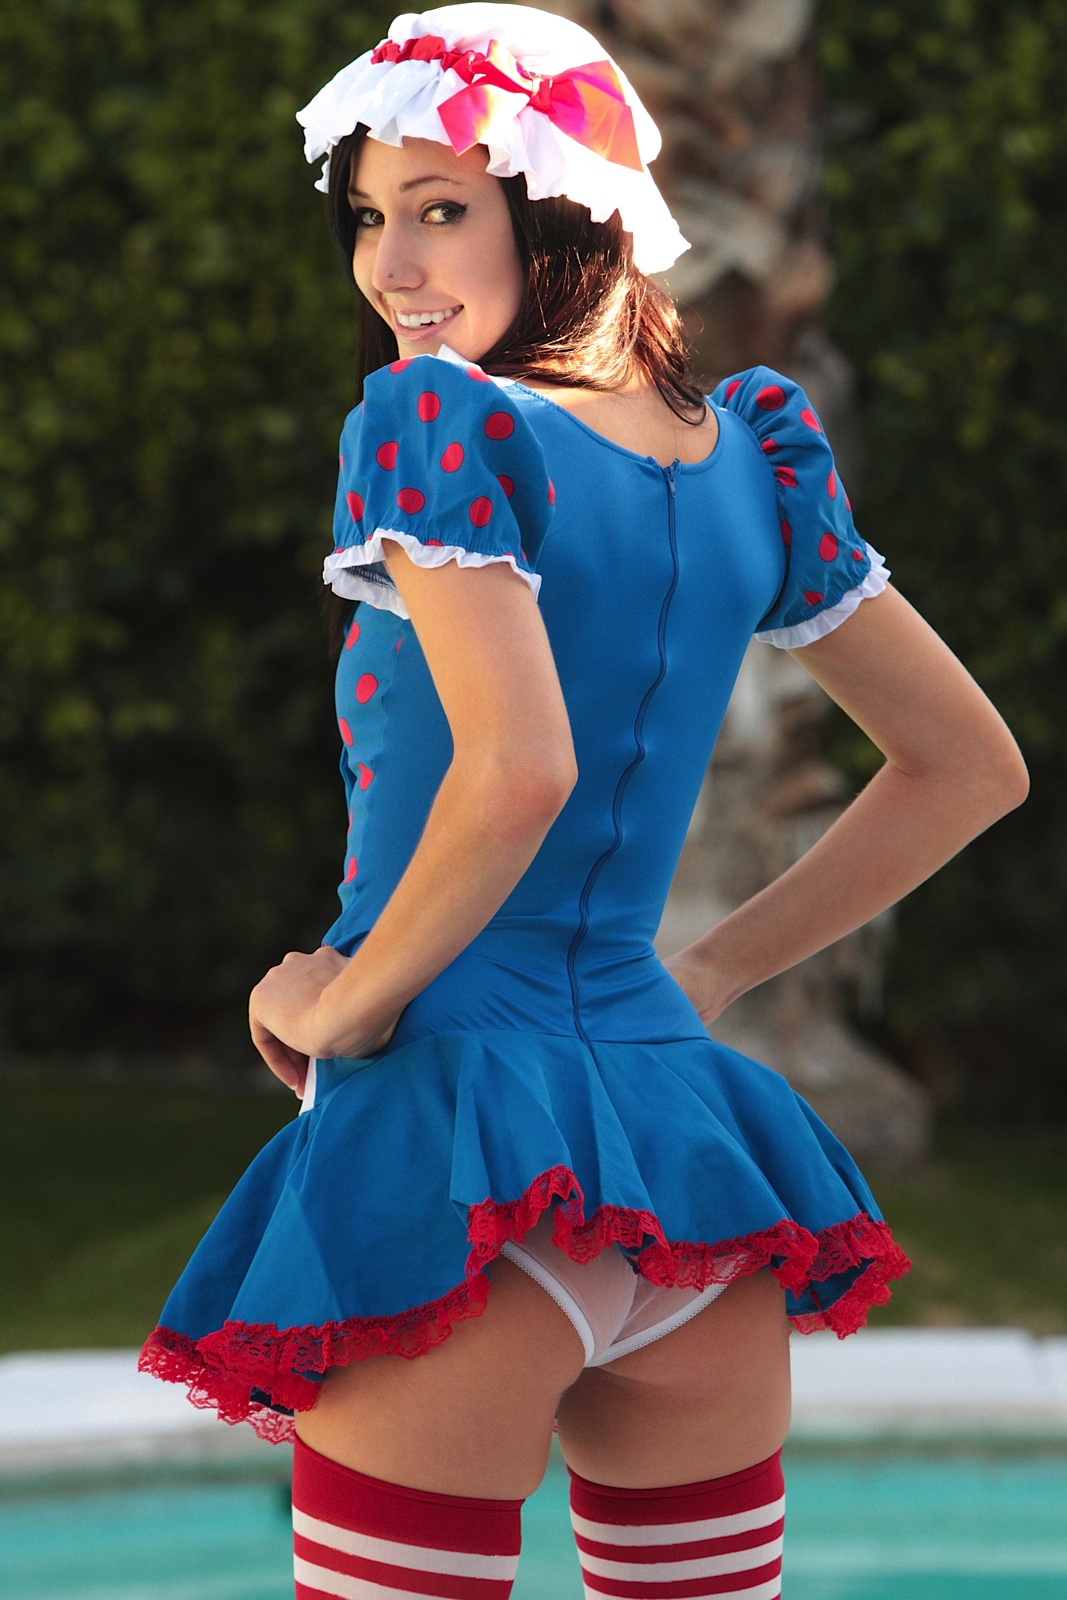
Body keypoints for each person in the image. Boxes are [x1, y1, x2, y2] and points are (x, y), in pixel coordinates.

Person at [140, 6, 1029, 1596]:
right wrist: (709, 975)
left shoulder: (435, 422)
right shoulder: (752, 457)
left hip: (458, 1157)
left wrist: (340, 1002)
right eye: (368, 217)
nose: (393, 266)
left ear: (565, 210)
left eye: (440, 209)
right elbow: (970, 766)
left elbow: (521, 773)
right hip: (684, 1170)